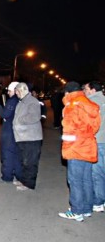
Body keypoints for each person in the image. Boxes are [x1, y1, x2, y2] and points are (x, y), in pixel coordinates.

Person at [58, 81, 100, 221]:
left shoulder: (72, 105)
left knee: (75, 180)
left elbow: (68, 128)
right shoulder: (89, 103)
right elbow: (95, 127)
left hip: (75, 148)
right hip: (88, 146)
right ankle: (87, 208)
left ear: (67, 92)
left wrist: (67, 146)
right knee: (87, 179)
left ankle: (77, 210)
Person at [12, 82, 44, 191]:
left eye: (17, 91)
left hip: (31, 138)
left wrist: (19, 120)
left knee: (30, 162)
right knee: (24, 161)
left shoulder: (32, 102)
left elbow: (34, 117)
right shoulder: (22, 101)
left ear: (21, 90)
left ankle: (29, 184)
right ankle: (23, 180)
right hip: (23, 137)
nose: (16, 93)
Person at [83, 81, 105, 213]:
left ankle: (98, 201)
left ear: (92, 90)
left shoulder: (91, 103)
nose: (84, 91)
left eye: (85, 89)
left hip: (97, 141)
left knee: (96, 173)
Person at [0, 81, 23, 184]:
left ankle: (7, 176)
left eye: (9, 91)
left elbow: (5, 114)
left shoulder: (12, 101)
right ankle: (18, 175)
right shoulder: (22, 100)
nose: (8, 93)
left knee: (7, 154)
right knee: (16, 154)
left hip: (10, 131)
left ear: (15, 90)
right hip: (19, 131)